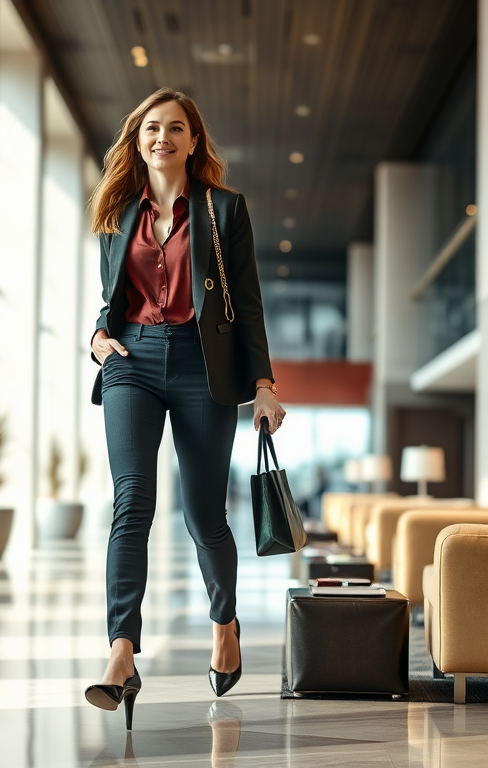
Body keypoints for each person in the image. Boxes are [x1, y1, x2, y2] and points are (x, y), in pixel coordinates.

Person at [83, 88, 285, 730]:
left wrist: (264, 383)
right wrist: (97, 338)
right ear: (137, 139)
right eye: (151, 127)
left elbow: (247, 304)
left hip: (204, 367)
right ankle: (121, 653)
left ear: (194, 141)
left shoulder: (225, 210)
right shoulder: (117, 211)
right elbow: (109, 299)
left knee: (204, 513)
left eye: (175, 128)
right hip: (131, 363)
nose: (162, 137)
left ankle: (223, 623)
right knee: (132, 499)